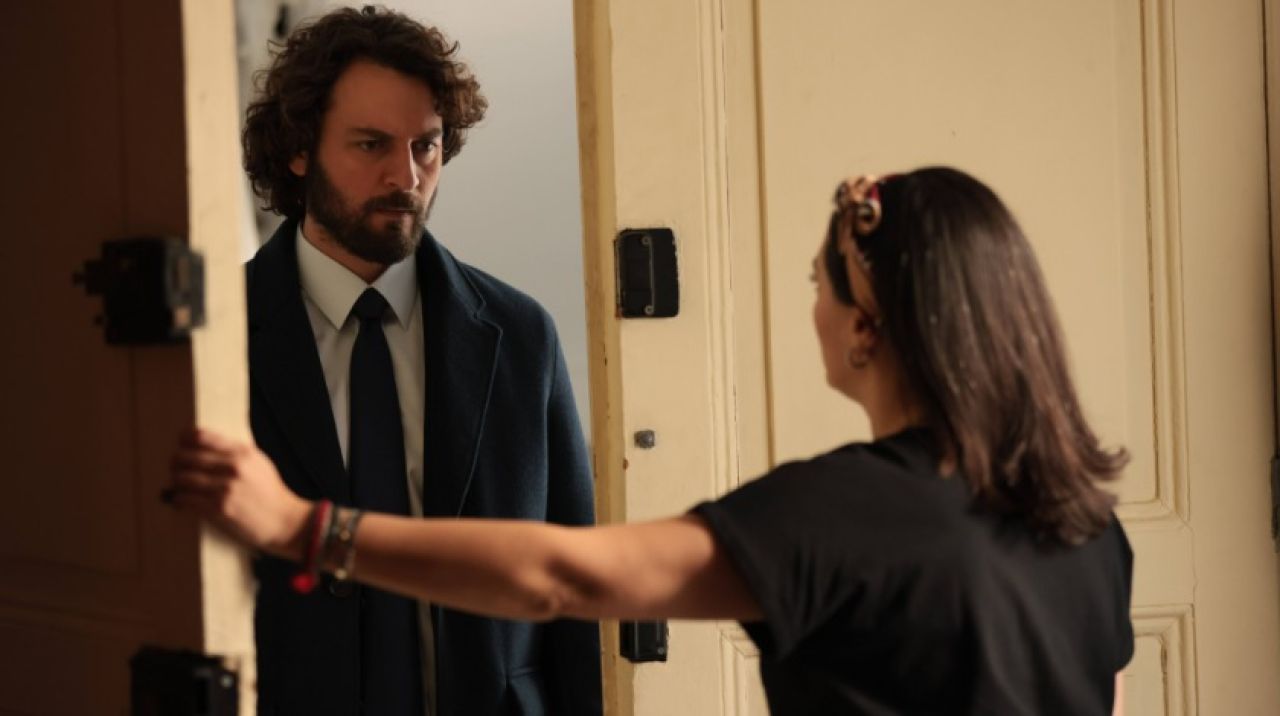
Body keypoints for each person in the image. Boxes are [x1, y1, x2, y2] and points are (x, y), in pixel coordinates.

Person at [171, 167, 1134, 714]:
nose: (812, 306)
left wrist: (301, 525)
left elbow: (563, 576)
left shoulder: (840, 513)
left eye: (820, 281)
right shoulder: (1088, 528)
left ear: (866, 325)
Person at [234, 6, 601, 715]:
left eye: (425, 146)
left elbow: (574, 584)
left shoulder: (520, 336)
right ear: (299, 150)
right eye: (371, 144)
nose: (405, 175)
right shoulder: (222, 335)